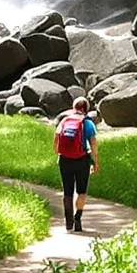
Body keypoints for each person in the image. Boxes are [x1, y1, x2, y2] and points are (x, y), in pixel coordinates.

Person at [54, 97, 98, 232]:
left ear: (74, 108)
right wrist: (95, 161)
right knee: (81, 191)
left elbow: (56, 140)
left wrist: (59, 154)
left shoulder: (64, 121)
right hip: (82, 160)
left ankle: (68, 223)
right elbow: (93, 145)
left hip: (64, 160)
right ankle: (77, 219)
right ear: (86, 109)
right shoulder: (88, 123)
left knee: (67, 192)